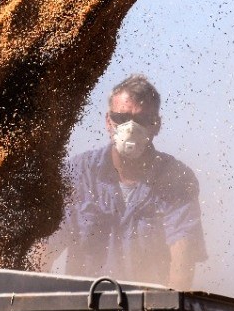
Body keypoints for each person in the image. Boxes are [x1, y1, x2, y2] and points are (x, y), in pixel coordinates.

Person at [46, 74, 206, 288]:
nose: (129, 128)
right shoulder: (78, 173)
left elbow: (183, 257)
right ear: (108, 121)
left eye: (140, 120)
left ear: (156, 125)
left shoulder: (176, 179)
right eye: (121, 118)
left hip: (146, 310)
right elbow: (45, 248)